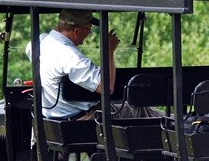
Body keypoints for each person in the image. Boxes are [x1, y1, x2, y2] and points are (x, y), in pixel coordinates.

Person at [26, 9, 161, 120]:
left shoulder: (39, 42)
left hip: (51, 117)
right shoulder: (70, 57)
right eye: (89, 29)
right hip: (79, 120)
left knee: (124, 106)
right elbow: (106, 88)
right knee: (138, 109)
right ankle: (176, 128)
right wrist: (109, 51)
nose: (89, 34)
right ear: (76, 31)